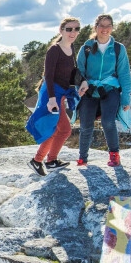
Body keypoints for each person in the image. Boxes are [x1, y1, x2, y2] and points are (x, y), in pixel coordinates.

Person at [26, 17, 83, 176]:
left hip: (60, 95)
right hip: (51, 95)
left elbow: (71, 74)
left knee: (56, 129)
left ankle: (41, 161)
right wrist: (52, 99)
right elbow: (48, 76)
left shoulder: (71, 49)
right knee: (64, 130)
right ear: (61, 30)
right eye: (69, 29)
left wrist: (83, 83)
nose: (73, 32)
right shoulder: (54, 50)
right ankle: (47, 161)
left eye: (76, 29)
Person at [75, 14, 131, 167]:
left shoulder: (118, 48)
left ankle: (114, 155)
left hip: (109, 90)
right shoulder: (87, 47)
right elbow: (79, 70)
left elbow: (124, 74)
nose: (105, 29)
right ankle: (82, 158)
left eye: (108, 26)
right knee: (86, 125)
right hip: (89, 90)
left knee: (108, 122)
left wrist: (126, 99)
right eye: (102, 26)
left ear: (112, 28)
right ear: (96, 27)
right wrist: (80, 87)